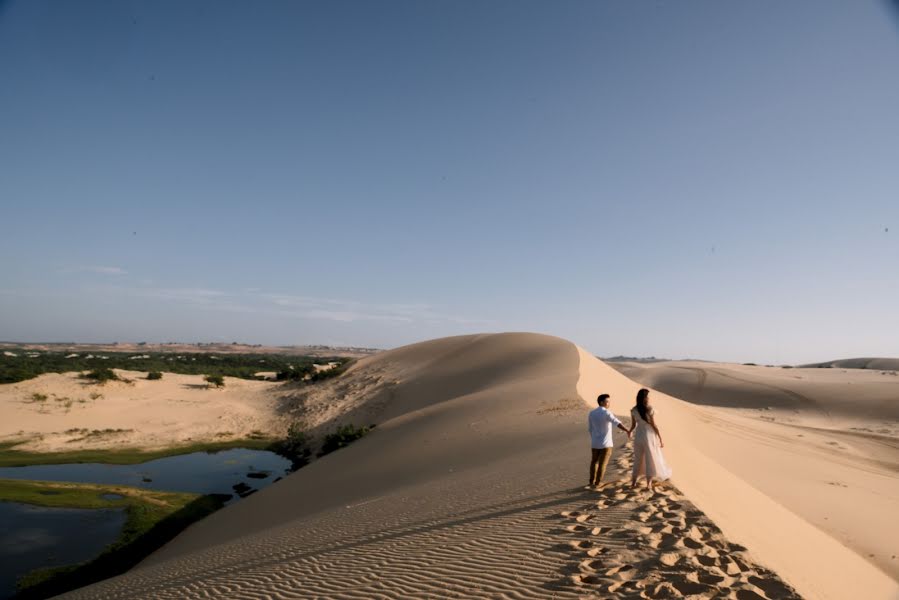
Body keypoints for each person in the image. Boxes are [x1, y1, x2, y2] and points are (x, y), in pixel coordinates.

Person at [628, 388, 672, 492]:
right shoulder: (649, 409)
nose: (649, 398)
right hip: (649, 436)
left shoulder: (634, 410)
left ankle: (633, 482)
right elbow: (653, 424)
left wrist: (629, 431)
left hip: (638, 435)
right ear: (645, 398)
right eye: (648, 396)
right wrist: (660, 438)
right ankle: (648, 484)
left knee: (638, 459)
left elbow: (633, 425)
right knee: (650, 459)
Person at [588, 393, 631, 488]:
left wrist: (594, 439)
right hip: (606, 444)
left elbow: (590, 429)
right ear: (601, 402)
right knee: (602, 464)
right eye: (607, 401)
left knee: (594, 462)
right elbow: (617, 422)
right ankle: (598, 483)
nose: (609, 403)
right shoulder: (606, 413)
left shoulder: (591, 413)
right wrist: (627, 430)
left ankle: (591, 481)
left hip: (595, 443)